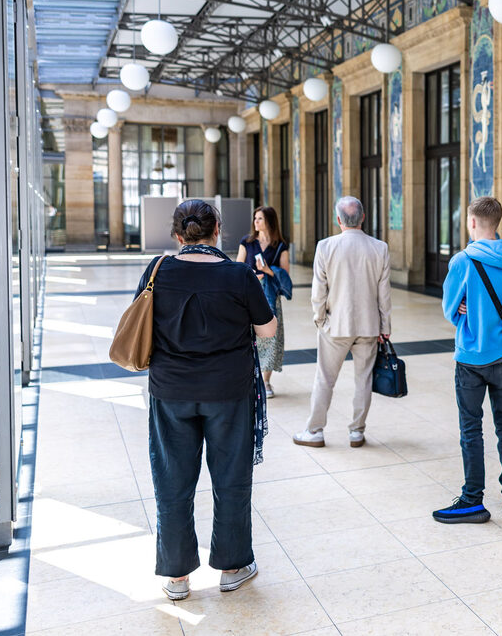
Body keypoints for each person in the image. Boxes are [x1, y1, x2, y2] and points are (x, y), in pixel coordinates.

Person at [141, 200, 277, 601]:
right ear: (218, 229)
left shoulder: (158, 270)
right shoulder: (238, 275)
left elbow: (140, 321)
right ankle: (233, 567)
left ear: (178, 235)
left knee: (172, 480)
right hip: (228, 393)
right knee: (231, 479)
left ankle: (177, 575)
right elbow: (268, 331)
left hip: (171, 391)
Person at [434, 197, 502, 523]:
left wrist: (465, 308)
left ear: (472, 222)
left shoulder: (462, 261)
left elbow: (449, 308)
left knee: (471, 429)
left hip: (471, 356)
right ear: (496, 222)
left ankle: (473, 499)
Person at [293, 196, 392, 449]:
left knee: (324, 379)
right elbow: (384, 294)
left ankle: (314, 431)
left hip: (335, 325)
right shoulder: (379, 247)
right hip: (369, 326)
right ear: (363, 217)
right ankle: (357, 432)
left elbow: (318, 292)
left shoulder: (325, 246)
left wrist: (320, 320)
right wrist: (385, 327)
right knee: (364, 380)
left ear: (338, 220)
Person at [237, 206, 290, 398]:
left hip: (270, 298)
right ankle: (250, 378)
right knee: (250, 337)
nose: (256, 222)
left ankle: (266, 381)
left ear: (269, 221)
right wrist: (252, 275)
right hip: (249, 297)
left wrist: (268, 271)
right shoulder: (247, 242)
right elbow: (238, 267)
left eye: (260, 218)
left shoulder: (280, 246)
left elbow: (285, 275)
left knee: (271, 339)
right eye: (255, 218)